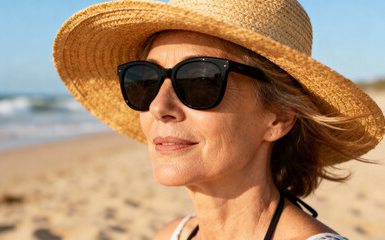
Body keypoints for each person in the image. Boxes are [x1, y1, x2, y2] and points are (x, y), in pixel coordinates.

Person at [53, 0, 385, 239]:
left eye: (199, 81)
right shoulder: (172, 235)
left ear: (279, 118)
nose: (158, 106)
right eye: (146, 80)